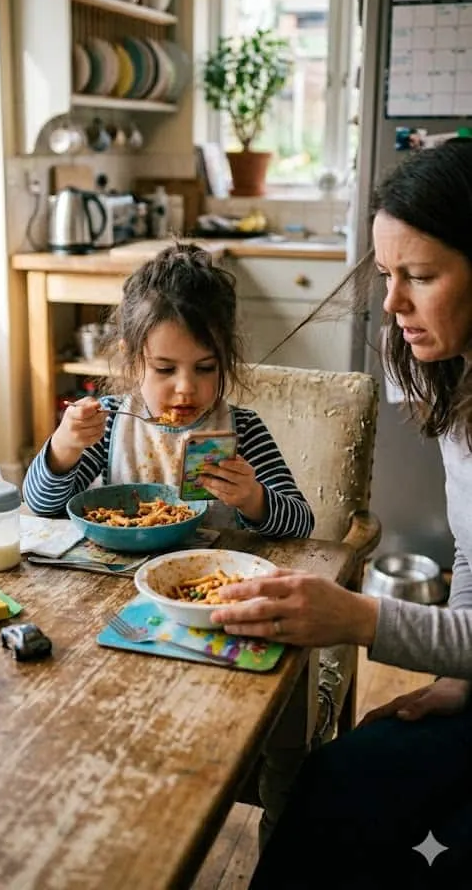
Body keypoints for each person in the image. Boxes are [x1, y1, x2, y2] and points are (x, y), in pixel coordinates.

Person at [208, 139, 472, 888]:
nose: (392, 303)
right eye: (388, 275)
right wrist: (458, 680)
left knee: (438, 860)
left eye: (419, 276)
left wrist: (359, 619)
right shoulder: (452, 380)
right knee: (335, 782)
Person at [24, 242, 314, 541]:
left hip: (215, 575)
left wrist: (253, 499)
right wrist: (63, 447)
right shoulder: (111, 424)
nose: (186, 387)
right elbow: (42, 505)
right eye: (165, 369)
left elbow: (302, 524)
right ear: (133, 361)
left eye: (205, 368)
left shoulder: (243, 430)